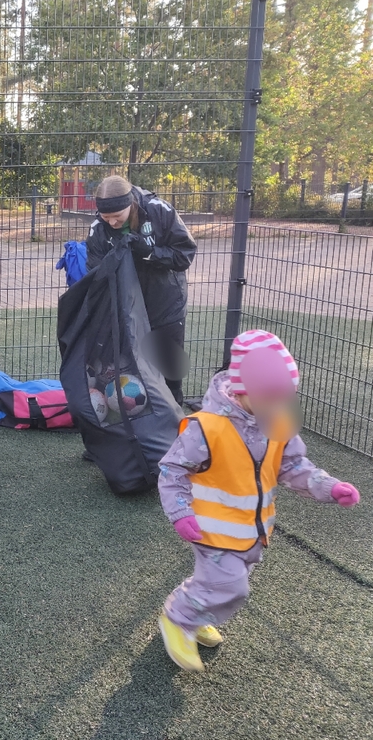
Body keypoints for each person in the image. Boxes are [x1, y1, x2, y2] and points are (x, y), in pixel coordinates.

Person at [157, 330, 361, 672]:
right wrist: (180, 512)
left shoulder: (278, 421)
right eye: (271, 396)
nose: (279, 405)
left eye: (285, 397)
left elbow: (293, 465)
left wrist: (329, 487)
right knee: (230, 585)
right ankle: (178, 619)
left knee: (223, 581)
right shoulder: (206, 427)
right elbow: (172, 469)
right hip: (209, 528)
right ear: (242, 390)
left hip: (252, 530)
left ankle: (195, 609)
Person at [86, 175, 197, 406]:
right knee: (127, 366)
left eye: (117, 216)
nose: (112, 222)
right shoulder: (98, 228)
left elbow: (184, 255)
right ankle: (130, 418)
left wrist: (150, 253)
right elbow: (95, 272)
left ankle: (173, 414)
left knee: (169, 367)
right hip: (126, 309)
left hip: (166, 303)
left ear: (130, 204)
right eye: (106, 217)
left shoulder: (160, 211)